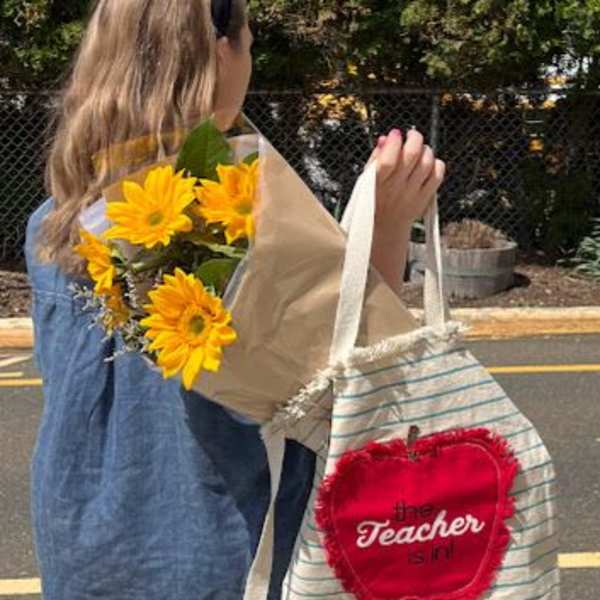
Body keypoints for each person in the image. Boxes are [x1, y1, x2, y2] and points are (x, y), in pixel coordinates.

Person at [24, 0, 445, 598]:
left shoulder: (56, 222)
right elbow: (352, 383)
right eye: (248, 42)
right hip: (221, 554)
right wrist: (390, 221)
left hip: (83, 541)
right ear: (220, 51)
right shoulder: (232, 224)